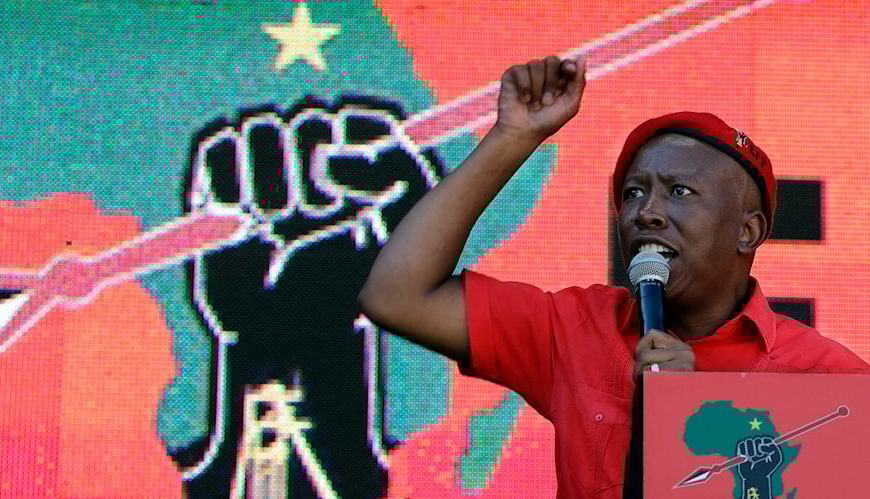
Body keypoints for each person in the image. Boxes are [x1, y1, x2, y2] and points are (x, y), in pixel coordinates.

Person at [357, 56, 870, 498]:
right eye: (632, 194)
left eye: (680, 192)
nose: (645, 212)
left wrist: (698, 415)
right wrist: (513, 138)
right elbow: (397, 295)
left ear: (747, 232)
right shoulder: (578, 328)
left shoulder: (830, 381)